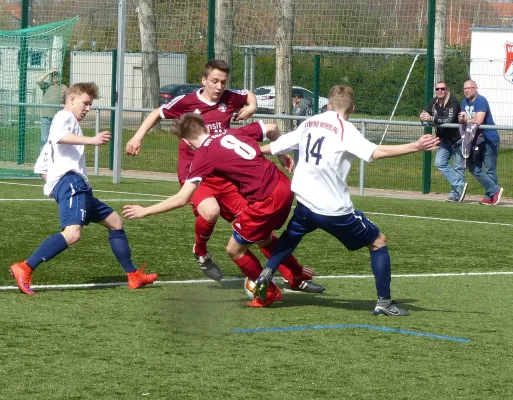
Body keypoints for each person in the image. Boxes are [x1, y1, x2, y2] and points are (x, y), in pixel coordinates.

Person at [125, 60, 318, 292]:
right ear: (204, 80)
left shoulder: (229, 98)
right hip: (195, 174)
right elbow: (157, 112)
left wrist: (252, 106)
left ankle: (293, 277)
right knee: (211, 211)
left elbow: (249, 95)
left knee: (256, 230)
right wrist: (137, 136)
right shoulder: (187, 103)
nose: (218, 87)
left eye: (223, 82)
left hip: (225, 176)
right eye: (214, 81)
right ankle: (201, 250)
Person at [253, 85, 439, 316]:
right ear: (352, 108)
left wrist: (249, 151)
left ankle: (265, 275)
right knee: (378, 242)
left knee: (290, 237)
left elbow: (275, 147)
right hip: (332, 210)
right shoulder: (345, 129)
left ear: (328, 105)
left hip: (304, 203)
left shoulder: (310, 122)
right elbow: (375, 153)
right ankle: (384, 302)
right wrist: (415, 146)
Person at [123, 113, 325, 307]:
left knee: (234, 249)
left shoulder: (203, 156)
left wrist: (145, 211)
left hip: (267, 198)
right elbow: (272, 128)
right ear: (206, 127)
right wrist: (281, 155)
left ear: (185, 141)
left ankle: (269, 292)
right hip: (283, 185)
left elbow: (182, 198)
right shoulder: (231, 133)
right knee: (263, 237)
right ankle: (296, 274)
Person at [9, 82, 158, 295]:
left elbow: (41, 166)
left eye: (90, 104)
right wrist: (92, 141)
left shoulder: (66, 126)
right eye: (85, 103)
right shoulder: (64, 117)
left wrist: (56, 186)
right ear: (71, 99)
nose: (88, 108)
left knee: (115, 222)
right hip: (73, 184)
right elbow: (60, 137)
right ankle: (24, 267)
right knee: (72, 234)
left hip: (77, 187)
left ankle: (134, 276)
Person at [420, 81, 466, 202]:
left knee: (458, 168)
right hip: (444, 140)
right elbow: (427, 115)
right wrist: (422, 118)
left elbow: (449, 119)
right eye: (437, 89)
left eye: (442, 89)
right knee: (439, 163)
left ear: (447, 90)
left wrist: (431, 118)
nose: (440, 91)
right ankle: (459, 184)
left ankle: (456, 195)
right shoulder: (434, 101)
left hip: (457, 140)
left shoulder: (453, 102)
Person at [458, 80, 502, 205]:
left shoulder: (481, 100)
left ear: (476, 88)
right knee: (473, 167)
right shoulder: (464, 102)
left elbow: (479, 119)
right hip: (475, 139)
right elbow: (462, 120)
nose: (467, 90)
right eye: (465, 88)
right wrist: (461, 119)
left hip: (489, 138)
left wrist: (466, 120)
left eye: (470, 88)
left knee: (490, 169)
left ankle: (489, 196)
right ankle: (495, 190)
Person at [37, 68, 68, 150]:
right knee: (44, 139)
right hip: (46, 117)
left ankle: (55, 158)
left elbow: (67, 103)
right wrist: (48, 72)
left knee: (57, 139)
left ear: (59, 77)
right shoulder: (46, 86)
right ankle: (43, 159)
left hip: (58, 118)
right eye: (53, 76)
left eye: (56, 75)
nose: (55, 77)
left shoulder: (64, 88)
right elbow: (38, 81)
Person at [292, 93, 313, 167]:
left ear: (297, 97)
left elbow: (295, 115)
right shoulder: (308, 103)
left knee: (296, 148)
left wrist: (295, 107)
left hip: (303, 129)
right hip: (309, 128)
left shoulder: (301, 105)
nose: (293, 100)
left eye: (293, 98)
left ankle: (298, 166)